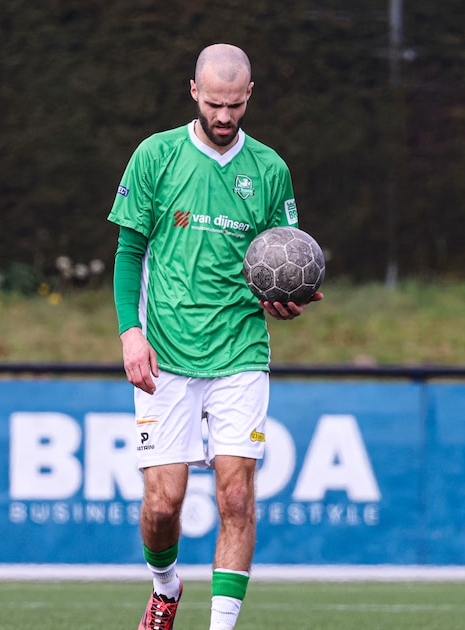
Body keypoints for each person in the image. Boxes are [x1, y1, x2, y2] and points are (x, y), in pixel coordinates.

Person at [109, 43, 322, 630]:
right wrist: (131, 334)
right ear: (194, 92)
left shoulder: (270, 169)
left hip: (240, 353)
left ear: (249, 95)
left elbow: (280, 258)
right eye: (214, 103)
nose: (224, 116)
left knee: (235, 498)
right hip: (167, 353)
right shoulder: (156, 156)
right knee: (163, 505)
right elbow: (129, 254)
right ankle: (165, 585)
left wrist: (287, 296)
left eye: (235, 105)